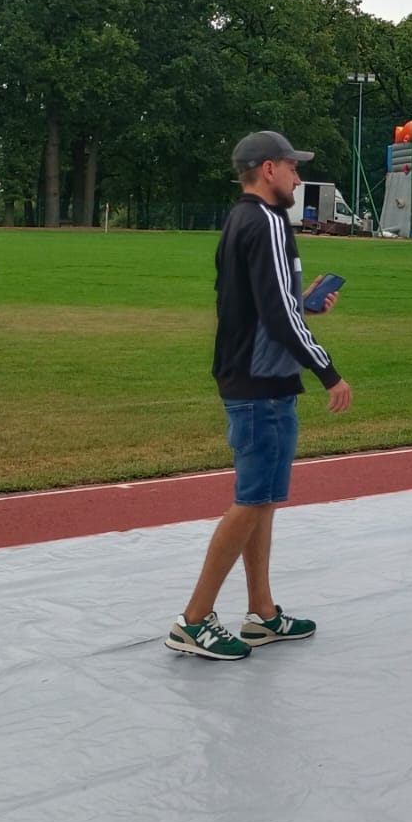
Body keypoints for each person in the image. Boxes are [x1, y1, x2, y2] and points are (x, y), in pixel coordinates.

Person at [168, 130, 353, 661]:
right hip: (260, 382)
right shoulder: (268, 222)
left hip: (252, 375)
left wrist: (302, 304)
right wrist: (329, 372)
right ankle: (194, 620)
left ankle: (262, 613)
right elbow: (276, 316)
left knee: (263, 501)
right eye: (293, 167)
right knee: (251, 502)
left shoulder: (240, 220)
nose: (298, 176)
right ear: (269, 169)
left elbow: (260, 303)